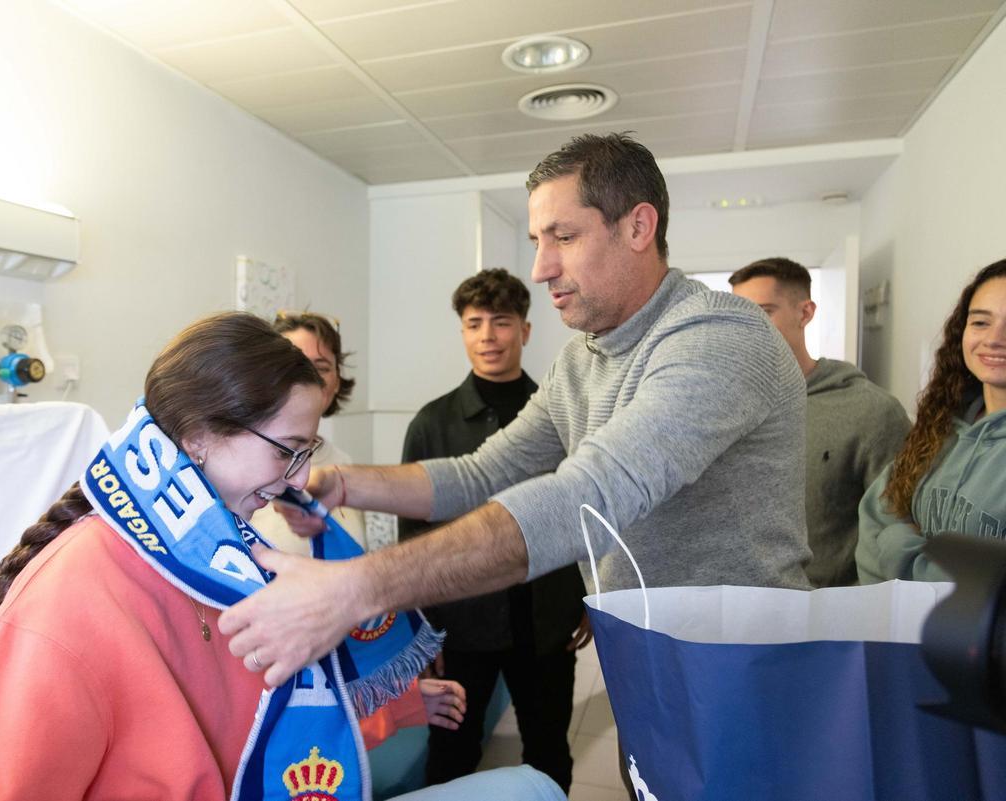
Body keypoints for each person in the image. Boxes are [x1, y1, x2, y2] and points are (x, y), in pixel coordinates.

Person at [219, 132, 811, 696]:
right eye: (537, 242)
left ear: (637, 226)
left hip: (742, 662)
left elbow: (590, 496)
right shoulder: (582, 360)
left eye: (564, 237)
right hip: (648, 654)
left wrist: (358, 588)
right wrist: (344, 484)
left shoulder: (716, 336)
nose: (541, 267)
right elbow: (480, 475)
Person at [0, 312, 552, 801]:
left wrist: (400, 706)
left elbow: (262, 731)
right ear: (199, 436)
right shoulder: (69, 602)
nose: (293, 481)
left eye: (305, 453)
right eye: (286, 450)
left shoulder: (222, 558)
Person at [399, 268, 589, 792]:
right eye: (474, 323)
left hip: (547, 618)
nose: (488, 336)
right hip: (460, 625)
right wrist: (420, 630)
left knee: (549, 747)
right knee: (453, 751)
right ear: (461, 332)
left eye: (501, 322)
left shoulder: (562, 415)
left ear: (525, 331)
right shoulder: (431, 424)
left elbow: (589, 509)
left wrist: (593, 595)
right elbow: (413, 536)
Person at [730, 257, 910, 587]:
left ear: (805, 312)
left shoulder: (870, 411)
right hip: (741, 610)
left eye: (764, 311)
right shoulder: (723, 407)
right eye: (739, 316)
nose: (748, 327)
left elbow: (899, 530)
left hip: (830, 616)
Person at [857, 259, 1006, 583]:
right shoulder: (939, 426)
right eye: (980, 322)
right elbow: (874, 521)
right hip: (899, 632)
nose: (994, 339)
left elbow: (991, 598)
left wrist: (900, 544)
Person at [251, 310, 366, 553]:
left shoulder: (343, 463)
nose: (310, 378)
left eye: (322, 367)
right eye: (297, 364)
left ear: (336, 381)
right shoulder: (244, 461)